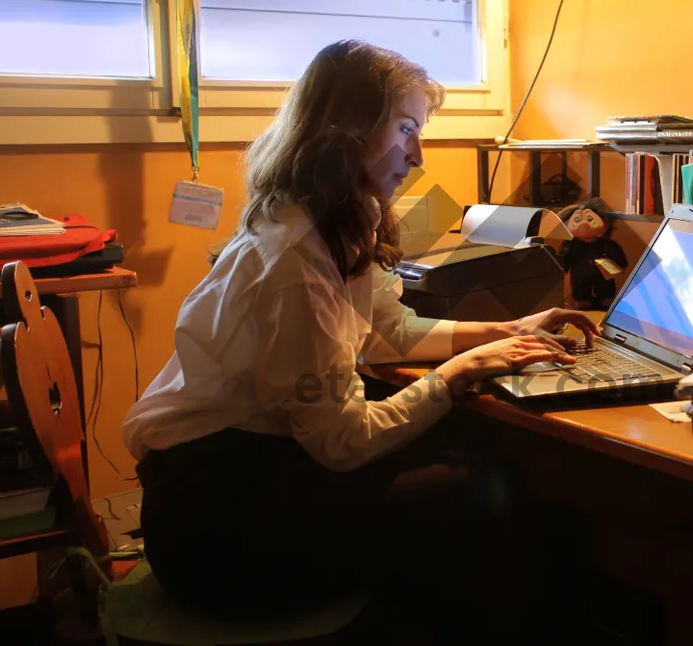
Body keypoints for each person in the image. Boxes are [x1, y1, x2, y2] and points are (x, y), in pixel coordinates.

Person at [121, 39, 598, 638]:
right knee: (483, 489)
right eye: (405, 129)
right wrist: (460, 371)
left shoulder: (334, 217)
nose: (418, 154)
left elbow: (385, 331)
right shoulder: (295, 263)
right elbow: (341, 443)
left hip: (249, 474)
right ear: (345, 132)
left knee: (461, 465)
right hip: (216, 527)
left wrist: (507, 330)